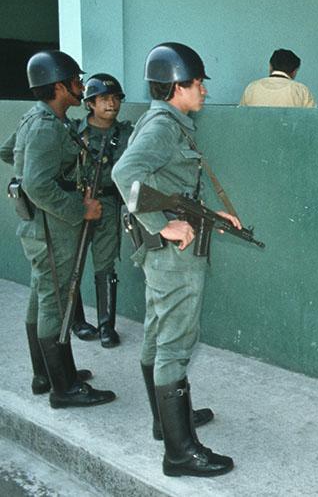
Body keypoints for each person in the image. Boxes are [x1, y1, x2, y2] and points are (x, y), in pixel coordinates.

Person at [112, 43, 240, 477]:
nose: (203, 89)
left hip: (163, 250)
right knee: (176, 345)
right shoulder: (163, 126)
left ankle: (166, 424)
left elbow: (167, 183)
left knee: (158, 333)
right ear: (175, 86)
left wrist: (208, 215)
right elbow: (124, 173)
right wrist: (161, 224)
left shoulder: (165, 122)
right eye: (197, 82)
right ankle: (180, 454)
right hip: (173, 254)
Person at [0, 51, 115, 408]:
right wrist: (79, 208)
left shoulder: (44, 118)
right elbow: (36, 183)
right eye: (77, 82)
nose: (82, 86)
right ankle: (63, 389)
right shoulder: (46, 126)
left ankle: (46, 374)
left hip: (43, 226)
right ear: (59, 86)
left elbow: (8, 152)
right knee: (56, 303)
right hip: (55, 229)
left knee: (43, 297)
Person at [74, 73, 133, 347]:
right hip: (76, 204)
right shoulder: (73, 132)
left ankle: (106, 325)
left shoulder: (126, 135)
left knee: (106, 264)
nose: (112, 103)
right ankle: (76, 321)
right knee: (70, 262)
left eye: (116, 98)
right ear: (90, 103)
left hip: (108, 204)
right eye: (104, 98)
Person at [239, 48, 316, 108]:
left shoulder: (252, 88)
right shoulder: (301, 90)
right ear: (294, 71)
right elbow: (312, 120)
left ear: (270, 66)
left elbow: (241, 118)